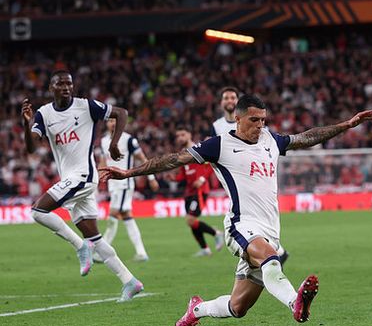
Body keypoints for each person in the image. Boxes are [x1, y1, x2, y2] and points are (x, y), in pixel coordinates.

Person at [100, 94, 372, 326]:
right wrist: (129, 172)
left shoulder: (270, 139)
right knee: (271, 259)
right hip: (240, 225)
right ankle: (295, 302)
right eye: (254, 120)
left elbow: (306, 138)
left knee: (238, 307)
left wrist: (346, 124)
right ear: (238, 119)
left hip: (270, 230)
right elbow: (174, 159)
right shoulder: (219, 145)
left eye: (263, 120)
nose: (260, 125)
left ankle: (195, 311)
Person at [22, 70, 143, 302]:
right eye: (60, 84)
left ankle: (79, 246)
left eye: (69, 83)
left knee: (38, 211)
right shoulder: (44, 114)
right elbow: (31, 148)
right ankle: (129, 281)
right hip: (71, 179)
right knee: (95, 238)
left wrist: (114, 143)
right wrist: (27, 124)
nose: (66, 87)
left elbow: (121, 113)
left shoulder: (86, 106)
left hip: (84, 176)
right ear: (51, 88)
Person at [211, 87, 290, 265]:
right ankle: (271, 255)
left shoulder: (260, 128)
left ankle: (270, 253)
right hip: (234, 173)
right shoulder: (217, 127)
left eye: (232, 97)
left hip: (256, 174)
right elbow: (211, 152)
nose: (229, 101)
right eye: (226, 98)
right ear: (222, 103)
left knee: (253, 266)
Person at [97, 119, 159, 262]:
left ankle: (102, 252)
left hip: (124, 184)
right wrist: (99, 178)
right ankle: (141, 253)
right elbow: (103, 161)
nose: (113, 123)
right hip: (113, 185)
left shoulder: (128, 140)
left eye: (115, 120)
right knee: (126, 216)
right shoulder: (104, 141)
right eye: (110, 120)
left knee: (113, 214)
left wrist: (151, 178)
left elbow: (143, 159)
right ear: (106, 123)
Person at [174, 126, 224, 256]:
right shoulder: (182, 153)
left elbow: (211, 164)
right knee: (192, 222)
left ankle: (216, 233)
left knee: (190, 219)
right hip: (189, 192)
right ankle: (205, 249)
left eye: (183, 134)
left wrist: (201, 179)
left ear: (189, 135)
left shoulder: (199, 148)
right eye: (178, 136)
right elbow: (184, 174)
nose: (180, 138)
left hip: (200, 190)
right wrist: (173, 178)